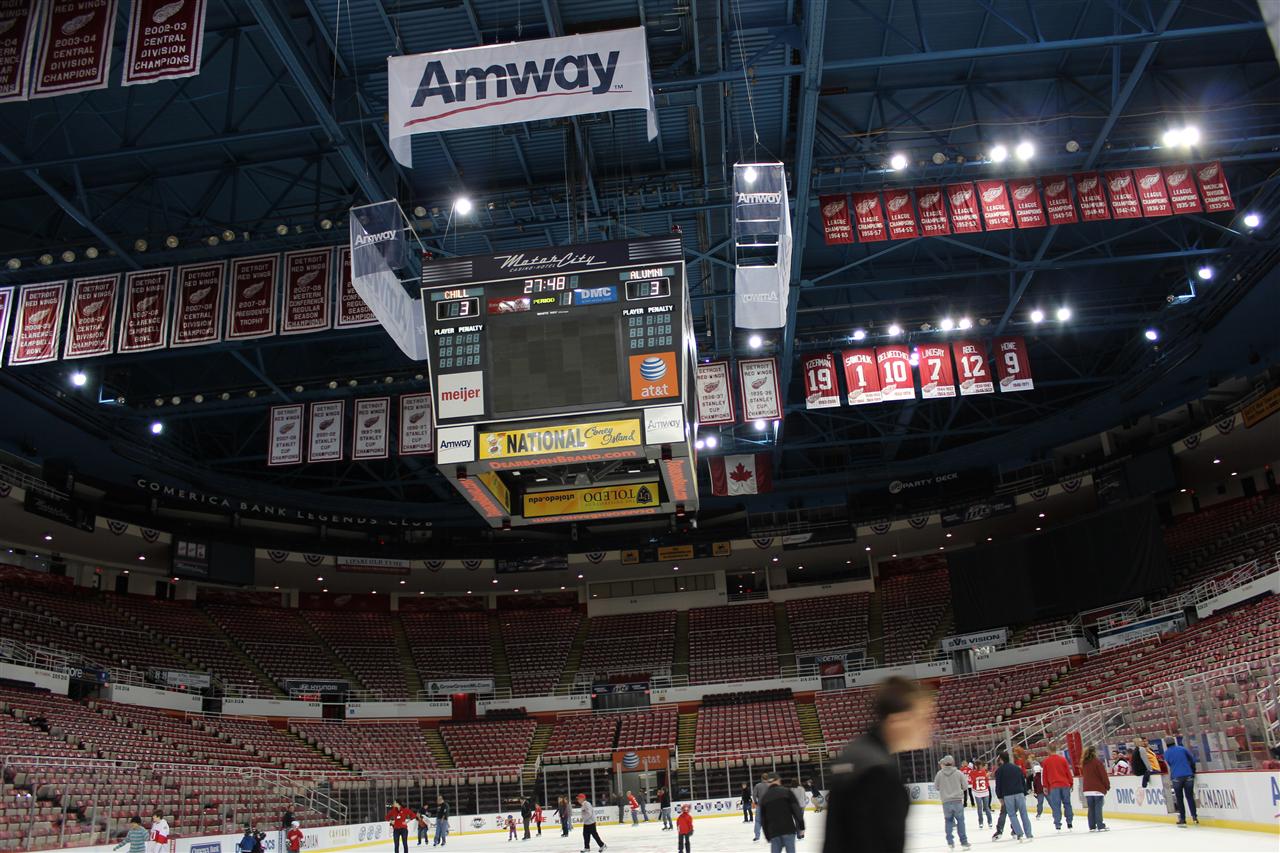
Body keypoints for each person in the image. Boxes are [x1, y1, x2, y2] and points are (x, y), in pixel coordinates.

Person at [821, 676, 934, 853]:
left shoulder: (857, 753)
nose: (928, 727)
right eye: (922, 719)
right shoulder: (878, 773)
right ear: (897, 721)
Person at [759, 772, 805, 853]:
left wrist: (767, 835)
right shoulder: (786, 792)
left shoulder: (764, 798)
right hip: (788, 830)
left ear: (768, 783)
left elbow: (763, 819)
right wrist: (801, 826)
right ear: (778, 780)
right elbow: (796, 810)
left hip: (774, 833)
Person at [994, 751, 1033, 842]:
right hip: (1019, 793)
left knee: (1012, 815)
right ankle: (1029, 834)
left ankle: (1019, 834)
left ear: (1001, 759)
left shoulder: (999, 771)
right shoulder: (1016, 768)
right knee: (1024, 814)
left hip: (1008, 795)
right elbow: (1022, 781)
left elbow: (998, 785)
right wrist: (1024, 792)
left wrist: (1000, 797)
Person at [935, 755, 971, 850]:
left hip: (946, 801)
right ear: (953, 762)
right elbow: (965, 786)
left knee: (948, 821)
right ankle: (964, 842)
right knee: (960, 821)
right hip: (957, 801)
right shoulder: (958, 773)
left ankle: (950, 842)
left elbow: (936, 787)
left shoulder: (939, 774)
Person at [1163, 737, 1199, 827]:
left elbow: (1170, 763)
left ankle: (1182, 818)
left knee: (1179, 798)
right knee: (1190, 796)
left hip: (1176, 777)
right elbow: (1192, 760)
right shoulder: (1182, 749)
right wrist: (1193, 770)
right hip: (1188, 775)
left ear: (1166, 744)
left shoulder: (1166, 753)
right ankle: (1194, 817)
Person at [1041, 745, 1074, 831]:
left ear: (1048, 750)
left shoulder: (1046, 761)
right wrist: (1071, 783)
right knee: (1067, 803)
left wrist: (1045, 786)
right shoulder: (1063, 759)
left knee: (1056, 805)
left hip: (1054, 786)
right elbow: (1068, 772)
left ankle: (1057, 824)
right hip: (1065, 784)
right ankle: (1069, 822)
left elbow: (1045, 775)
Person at [1080, 746, 1111, 832]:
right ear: (1094, 753)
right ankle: (1100, 825)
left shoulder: (1084, 763)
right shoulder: (1097, 763)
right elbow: (1103, 775)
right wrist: (1107, 786)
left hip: (1087, 789)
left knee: (1091, 808)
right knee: (1098, 808)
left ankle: (1092, 826)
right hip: (1097, 789)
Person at [969, 760, 993, 829]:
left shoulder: (981, 772)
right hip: (979, 793)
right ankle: (982, 822)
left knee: (986, 807)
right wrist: (986, 776)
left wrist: (987, 776)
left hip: (983, 792)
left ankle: (989, 822)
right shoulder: (980, 772)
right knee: (981, 808)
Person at [751, 772, 771, 841]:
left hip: (760, 805)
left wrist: (755, 802)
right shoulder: (770, 785)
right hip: (768, 805)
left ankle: (757, 836)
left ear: (761, 778)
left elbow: (754, 795)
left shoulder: (757, 785)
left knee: (758, 821)